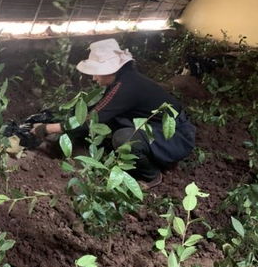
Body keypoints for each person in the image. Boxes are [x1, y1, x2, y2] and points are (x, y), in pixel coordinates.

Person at [31, 38, 195, 188]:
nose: (94, 78)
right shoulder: (124, 78)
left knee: (124, 139)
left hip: (176, 137)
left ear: (109, 70)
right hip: (159, 129)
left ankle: (152, 175)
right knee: (108, 124)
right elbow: (100, 108)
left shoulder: (127, 87)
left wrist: (46, 129)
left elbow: (90, 121)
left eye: (96, 72)